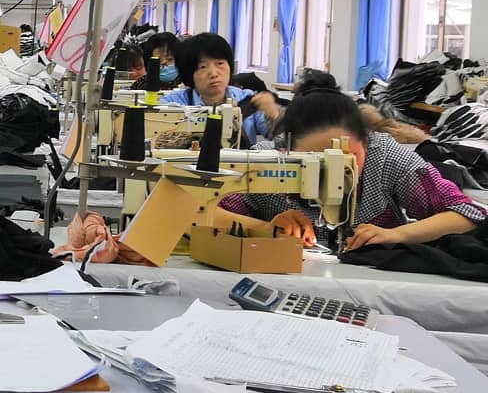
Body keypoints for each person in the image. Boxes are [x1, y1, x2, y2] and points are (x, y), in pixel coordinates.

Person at [217, 88, 486, 250]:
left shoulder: (386, 158)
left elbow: (467, 214)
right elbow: (208, 214)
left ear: (367, 141)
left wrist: (396, 234)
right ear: (285, 151)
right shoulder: (265, 165)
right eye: (315, 161)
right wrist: (266, 228)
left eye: (349, 159)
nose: (333, 175)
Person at [160, 32, 269, 144]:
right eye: (202, 67)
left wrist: (277, 116)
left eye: (220, 63)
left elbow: (279, 137)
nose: (213, 74)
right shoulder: (171, 104)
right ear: (189, 74)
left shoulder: (247, 99)